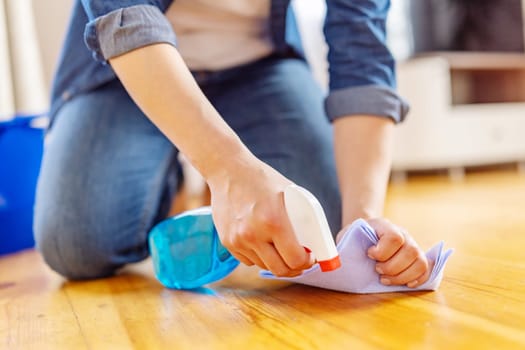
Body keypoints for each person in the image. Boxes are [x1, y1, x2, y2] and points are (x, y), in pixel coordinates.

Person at [34, 0, 431, 288]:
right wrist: (228, 172)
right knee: (76, 245)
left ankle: (213, 186)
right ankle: (171, 164)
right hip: (124, 73)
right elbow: (126, 17)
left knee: (323, 224)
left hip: (259, 68)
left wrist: (362, 222)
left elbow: (363, 53)